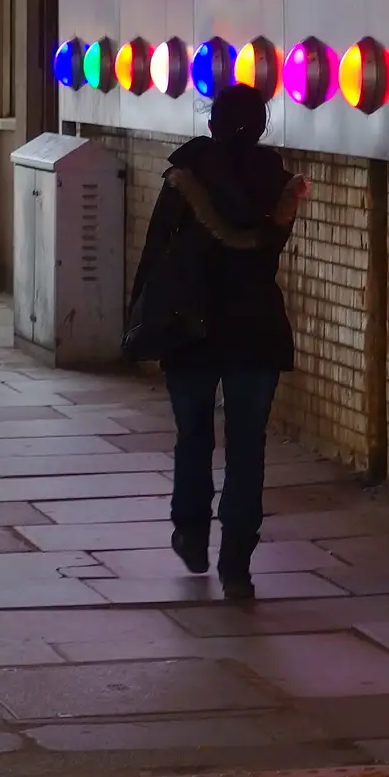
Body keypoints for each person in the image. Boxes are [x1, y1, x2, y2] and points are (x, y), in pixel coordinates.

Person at [128, 83, 310, 601]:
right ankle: (237, 564)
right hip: (255, 327)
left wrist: (138, 317)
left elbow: (156, 252)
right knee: (248, 445)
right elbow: (268, 251)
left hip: (193, 326)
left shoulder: (184, 176)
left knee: (194, 436)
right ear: (261, 126)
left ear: (211, 124)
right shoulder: (277, 183)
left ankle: (190, 530)